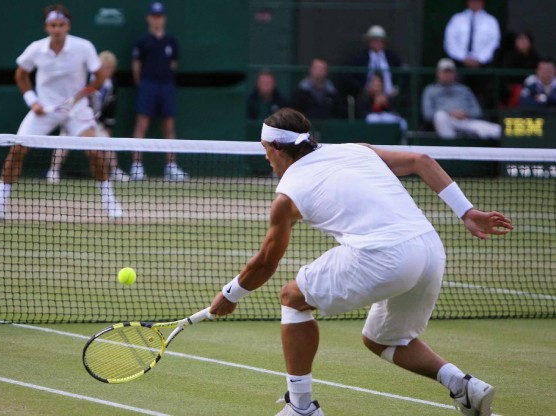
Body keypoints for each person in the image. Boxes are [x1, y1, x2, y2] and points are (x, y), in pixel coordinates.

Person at [208, 107, 513, 416]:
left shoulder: (287, 196)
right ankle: (463, 385)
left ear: (275, 148)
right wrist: (467, 211)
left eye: (265, 151)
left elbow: (265, 263)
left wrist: (231, 294)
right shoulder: (356, 149)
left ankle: (301, 408)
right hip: (430, 250)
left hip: (383, 255)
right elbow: (422, 161)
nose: (265, 158)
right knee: (383, 340)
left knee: (292, 298)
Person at [0, 4, 123, 220]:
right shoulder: (36, 49)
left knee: (95, 152)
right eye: (53, 25)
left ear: (68, 26)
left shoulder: (84, 47)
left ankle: (110, 202)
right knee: (17, 150)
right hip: (44, 110)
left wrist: (81, 96)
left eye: (61, 25)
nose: (57, 29)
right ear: (47, 27)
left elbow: (99, 76)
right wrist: (32, 101)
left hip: (76, 110)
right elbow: (21, 75)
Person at [46, 50, 130, 184]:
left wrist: (107, 125)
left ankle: (115, 170)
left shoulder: (111, 84)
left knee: (107, 141)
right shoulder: (86, 79)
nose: (108, 71)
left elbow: (110, 107)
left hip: (94, 122)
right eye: (105, 67)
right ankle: (53, 171)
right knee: (64, 140)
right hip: (74, 117)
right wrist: (69, 117)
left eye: (110, 68)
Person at [129, 2, 188, 181]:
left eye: (160, 17)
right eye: (154, 17)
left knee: (169, 127)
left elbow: (173, 63)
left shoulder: (171, 41)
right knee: (141, 125)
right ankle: (137, 166)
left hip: (167, 86)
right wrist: (144, 85)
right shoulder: (142, 42)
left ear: (164, 18)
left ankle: (171, 166)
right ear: (149, 18)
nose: (157, 20)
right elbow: (136, 67)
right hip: (148, 85)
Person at [422, 58, 501, 139]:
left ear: (454, 73)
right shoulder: (430, 90)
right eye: (445, 72)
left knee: (499, 130)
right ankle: (451, 147)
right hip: (446, 121)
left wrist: (466, 114)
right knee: (440, 116)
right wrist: (449, 113)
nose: (447, 75)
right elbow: (428, 114)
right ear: (438, 73)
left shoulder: (464, 89)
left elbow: (477, 111)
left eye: (450, 72)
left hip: (466, 121)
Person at [343, 25, 405, 98]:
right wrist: (364, 90)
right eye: (374, 40)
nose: (377, 42)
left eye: (380, 40)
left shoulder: (392, 57)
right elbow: (348, 77)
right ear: (369, 41)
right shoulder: (359, 58)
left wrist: (395, 90)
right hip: (366, 98)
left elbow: (403, 74)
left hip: (390, 98)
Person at [444, 0, 501, 69]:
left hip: (484, 65)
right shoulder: (457, 19)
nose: (475, 3)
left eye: (477, 1)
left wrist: (480, 59)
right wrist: (463, 58)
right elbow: (450, 41)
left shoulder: (491, 21)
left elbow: (494, 43)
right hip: (458, 64)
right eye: (472, 1)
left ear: (482, 3)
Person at [493, 31, 541, 107]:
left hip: (531, 89)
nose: (522, 42)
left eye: (525, 40)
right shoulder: (508, 56)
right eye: (520, 39)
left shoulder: (535, 58)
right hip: (510, 91)